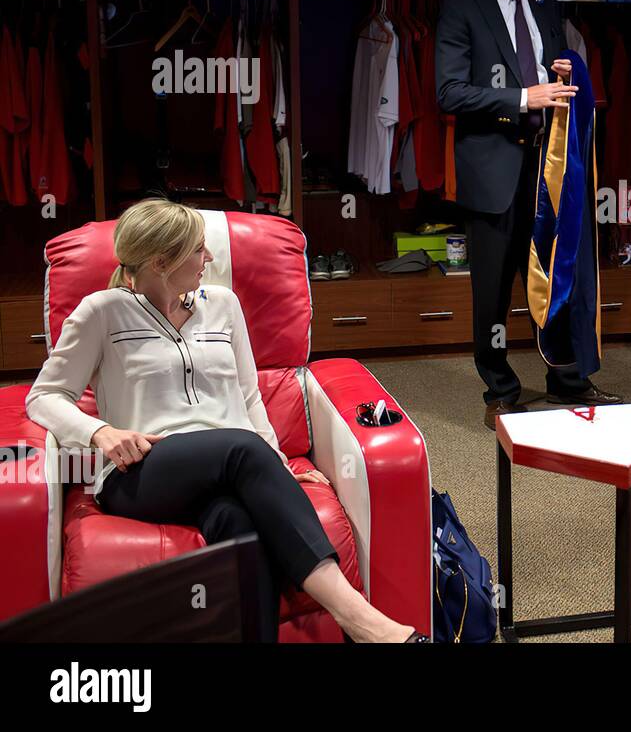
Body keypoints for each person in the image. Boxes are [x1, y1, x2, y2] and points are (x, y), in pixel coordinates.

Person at [25, 199, 427, 643]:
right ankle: (359, 619)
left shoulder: (222, 304)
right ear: (161, 261)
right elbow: (44, 397)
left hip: (233, 470)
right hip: (143, 471)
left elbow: (250, 397)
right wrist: (99, 432)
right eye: (199, 250)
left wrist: (274, 461)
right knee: (241, 448)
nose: (210, 259)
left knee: (239, 525)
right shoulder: (101, 312)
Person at [436, 0, 621, 428]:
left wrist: (566, 69)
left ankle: (568, 377)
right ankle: (499, 387)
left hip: (550, 168)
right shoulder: (461, 7)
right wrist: (523, 96)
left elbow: (555, 68)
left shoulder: (543, 0)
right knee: (492, 289)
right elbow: (449, 91)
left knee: (554, 274)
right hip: (493, 171)